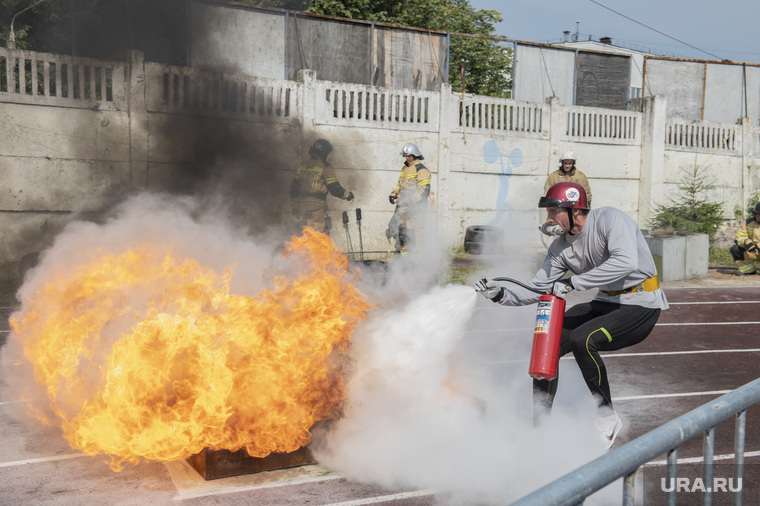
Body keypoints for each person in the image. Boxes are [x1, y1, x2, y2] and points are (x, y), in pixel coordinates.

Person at [474, 182, 668, 448]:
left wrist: (575, 283)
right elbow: (538, 288)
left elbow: (626, 262)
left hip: (640, 303)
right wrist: (500, 295)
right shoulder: (559, 248)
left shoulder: (611, 219)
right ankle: (539, 425)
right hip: (605, 301)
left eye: (554, 212)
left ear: (574, 210)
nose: (548, 219)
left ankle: (606, 416)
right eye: (548, 213)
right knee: (547, 339)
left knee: (582, 339)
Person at [291, 139, 354, 235]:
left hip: (302, 208)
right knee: (317, 235)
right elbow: (334, 188)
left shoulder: (303, 166)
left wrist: (295, 206)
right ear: (324, 153)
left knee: (303, 234)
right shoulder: (325, 166)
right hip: (316, 209)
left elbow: (294, 188)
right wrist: (348, 195)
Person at [387, 142, 431, 253]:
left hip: (416, 210)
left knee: (415, 234)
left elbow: (423, 190)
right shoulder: (405, 169)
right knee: (402, 232)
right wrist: (394, 193)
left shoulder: (422, 169)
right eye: (405, 156)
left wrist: (410, 200)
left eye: (409, 155)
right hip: (403, 208)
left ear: (415, 155)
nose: (407, 158)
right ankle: (404, 260)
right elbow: (400, 184)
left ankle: (418, 262)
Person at [730, 202, 760, 275]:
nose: (759, 216)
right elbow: (738, 237)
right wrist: (746, 241)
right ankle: (748, 271)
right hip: (752, 251)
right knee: (735, 249)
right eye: (757, 214)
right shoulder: (747, 222)